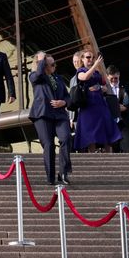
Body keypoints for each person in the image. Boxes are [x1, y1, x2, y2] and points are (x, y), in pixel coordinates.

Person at [28, 52, 72, 185]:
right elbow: (38, 75)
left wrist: (64, 102)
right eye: (51, 65)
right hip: (42, 114)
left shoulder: (58, 78)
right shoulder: (35, 76)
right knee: (48, 144)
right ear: (43, 65)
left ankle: (63, 172)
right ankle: (50, 176)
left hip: (59, 115)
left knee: (65, 138)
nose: (54, 67)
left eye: (54, 64)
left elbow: (67, 96)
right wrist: (40, 60)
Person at [73, 49, 121, 152]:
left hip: (99, 103)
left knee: (106, 129)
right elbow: (84, 77)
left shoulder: (96, 72)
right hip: (88, 105)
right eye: (88, 57)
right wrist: (95, 65)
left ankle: (109, 157)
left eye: (92, 57)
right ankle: (93, 157)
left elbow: (105, 83)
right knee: (91, 133)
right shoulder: (80, 70)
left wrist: (101, 87)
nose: (91, 59)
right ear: (82, 59)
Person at [104, 64, 129, 153]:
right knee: (115, 151)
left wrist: (125, 108)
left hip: (126, 122)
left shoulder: (127, 86)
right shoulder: (104, 89)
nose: (114, 80)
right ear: (107, 77)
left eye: (116, 78)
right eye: (111, 78)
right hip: (111, 124)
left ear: (119, 75)